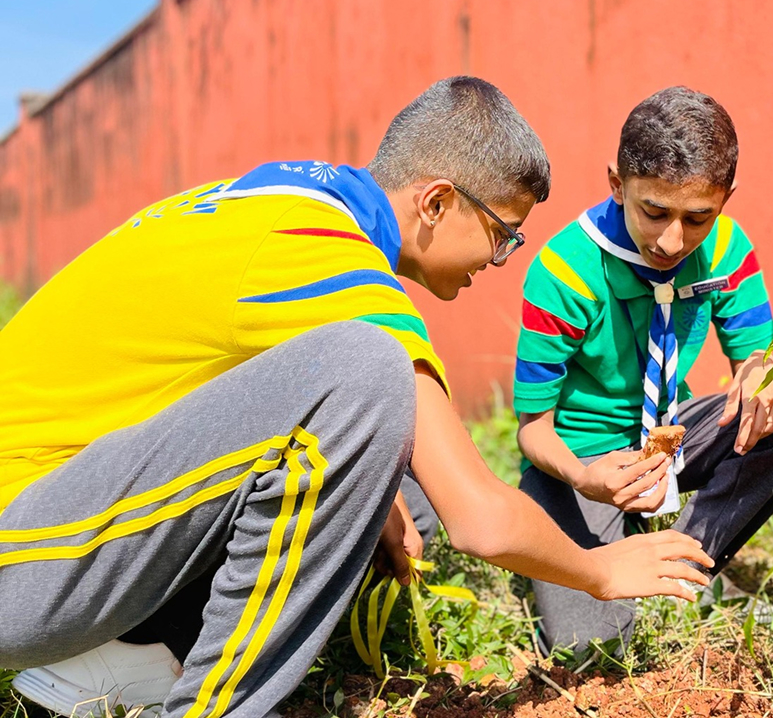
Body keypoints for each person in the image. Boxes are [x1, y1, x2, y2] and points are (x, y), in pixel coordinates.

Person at [0, 76, 713, 718]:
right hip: (23, 568)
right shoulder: (332, 260)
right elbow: (480, 522)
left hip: (51, 527)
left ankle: (131, 654)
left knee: (395, 458)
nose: (496, 264)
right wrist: (599, 570)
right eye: (501, 235)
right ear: (436, 201)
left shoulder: (264, 201)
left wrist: (366, 483)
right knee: (368, 371)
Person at [512, 87, 773, 652]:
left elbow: (753, 363)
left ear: (725, 200)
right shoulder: (563, 272)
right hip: (584, 463)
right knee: (591, 650)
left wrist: (760, 372)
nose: (672, 239)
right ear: (617, 184)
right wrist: (587, 478)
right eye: (654, 211)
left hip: (672, 434)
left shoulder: (728, 248)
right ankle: (604, 556)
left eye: (697, 218)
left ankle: (686, 560)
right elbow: (532, 428)